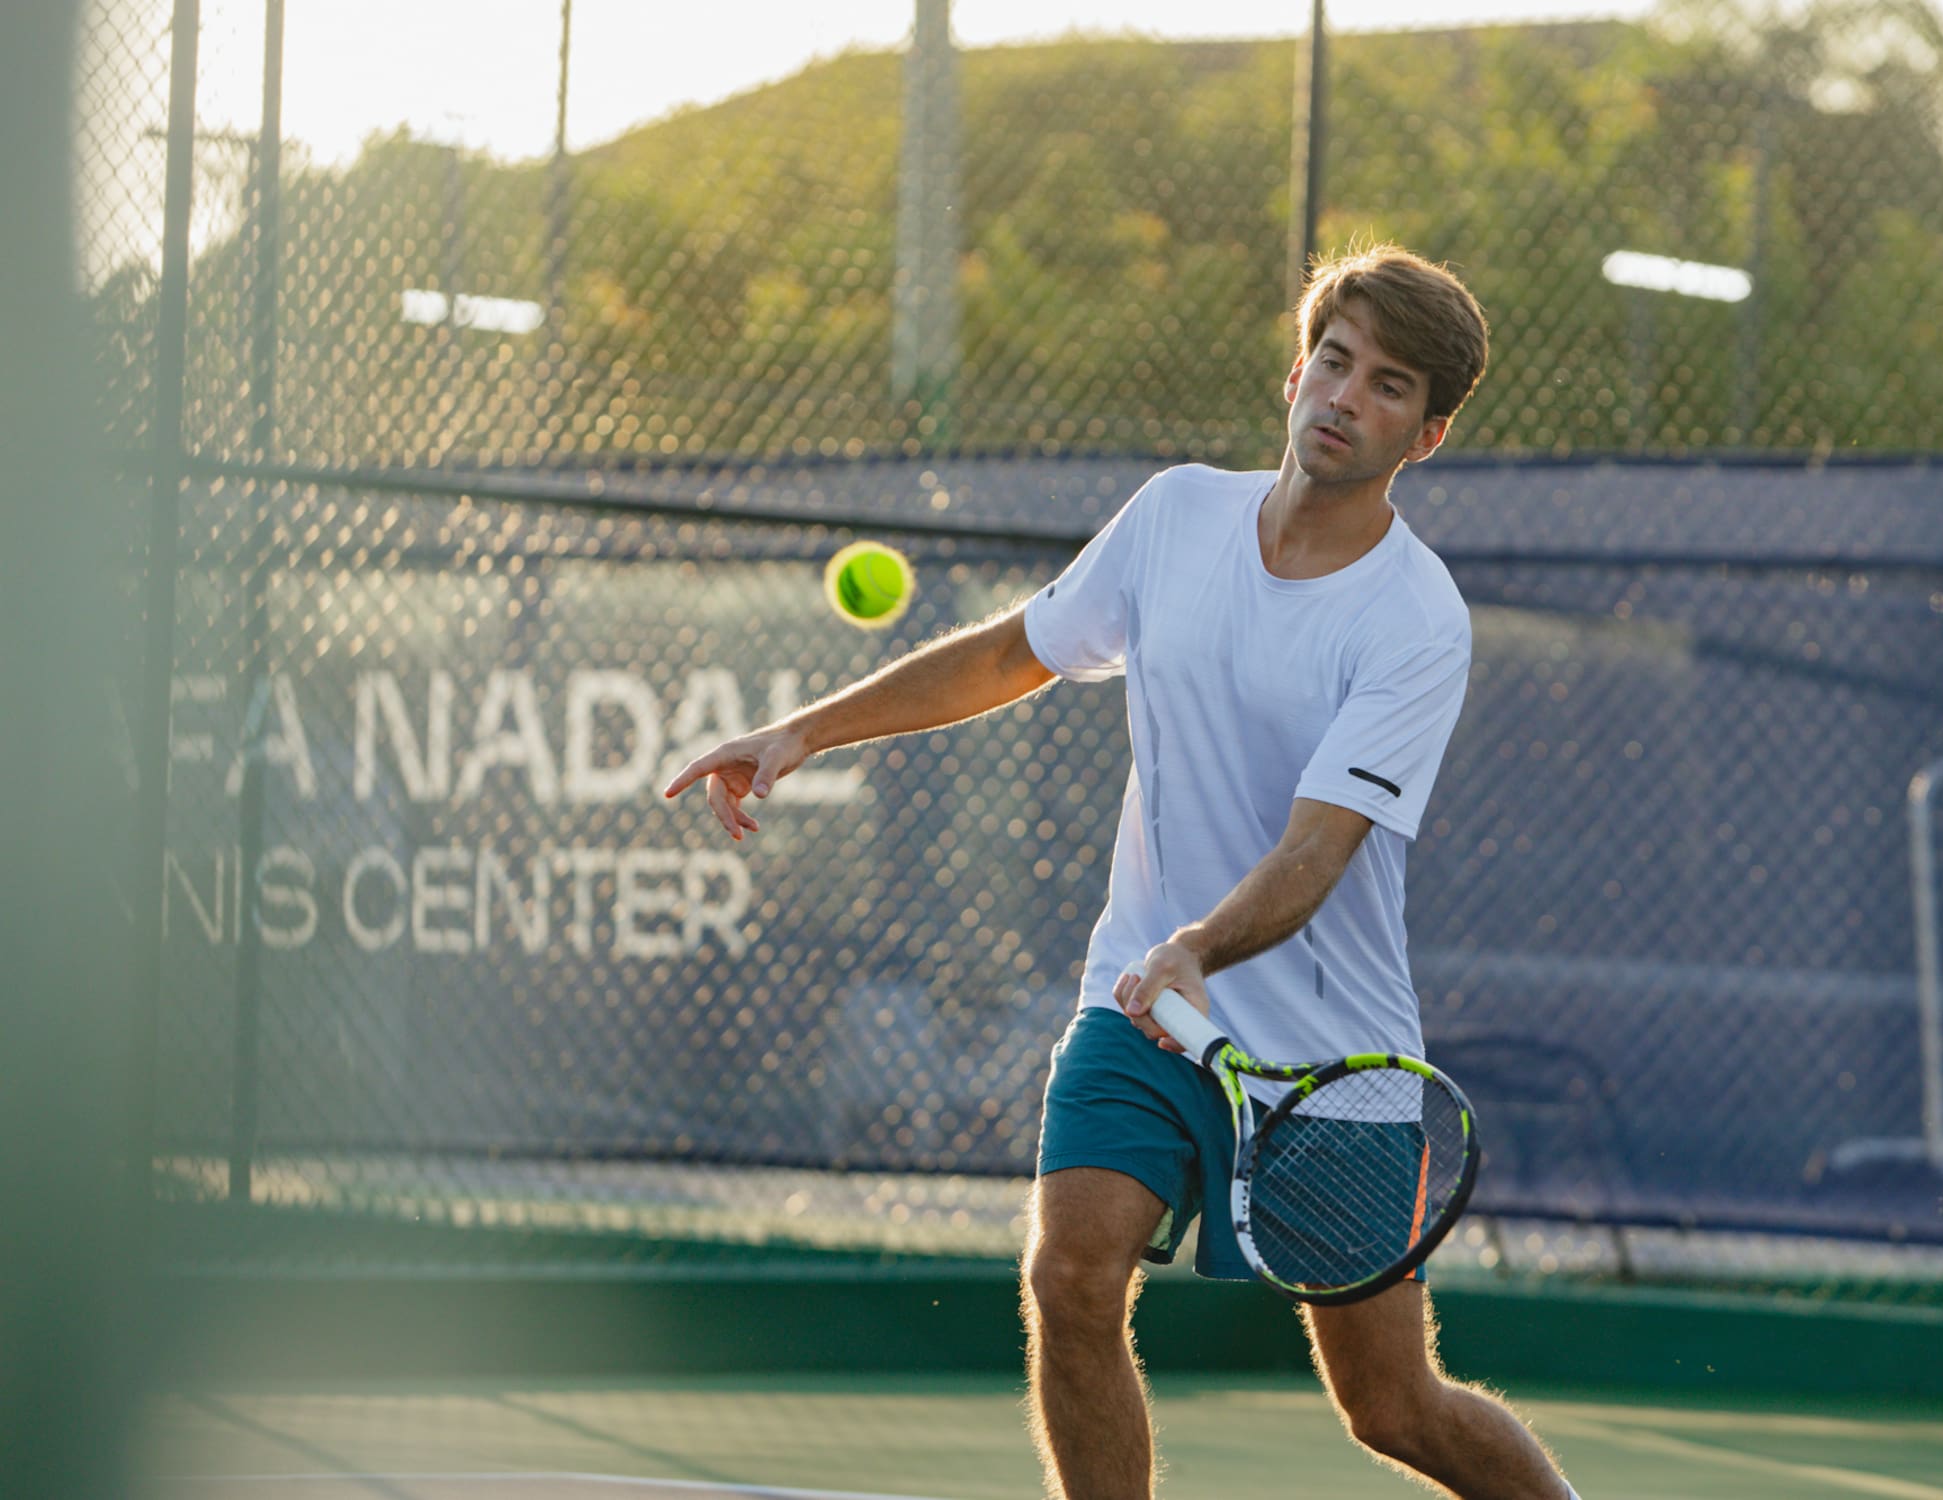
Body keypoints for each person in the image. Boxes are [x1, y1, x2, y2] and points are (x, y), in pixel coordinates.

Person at [664, 243, 1580, 1500]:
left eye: (1383, 386)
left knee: (1388, 1404)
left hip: (1325, 1056)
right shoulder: (1174, 518)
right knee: (1069, 1275)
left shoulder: (1413, 619)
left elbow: (1318, 846)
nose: (1341, 397)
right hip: (1139, 1010)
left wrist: (1200, 945)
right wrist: (803, 731)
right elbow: (1010, 654)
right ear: (1295, 370)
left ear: (1422, 436)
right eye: (1332, 360)